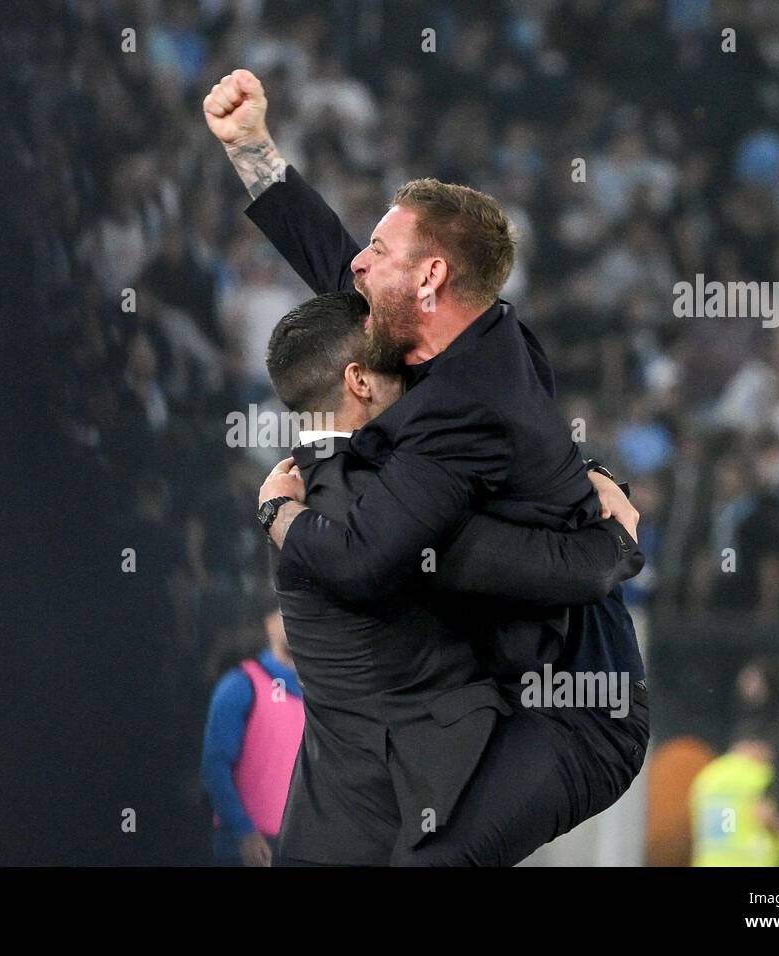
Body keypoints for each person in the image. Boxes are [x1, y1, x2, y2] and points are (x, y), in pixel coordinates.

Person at [206, 71, 651, 862]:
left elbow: (369, 558)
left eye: (379, 250)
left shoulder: (464, 408)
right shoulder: (453, 337)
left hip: (576, 711)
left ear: (431, 276)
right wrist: (253, 151)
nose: (360, 266)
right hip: (501, 687)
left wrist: (278, 512)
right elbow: (334, 268)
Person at [265, 292, 645, 865]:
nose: (419, 368)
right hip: (415, 791)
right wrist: (617, 533)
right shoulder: (385, 505)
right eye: (399, 358)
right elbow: (561, 569)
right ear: (361, 381)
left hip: (332, 815)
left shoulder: (306, 489)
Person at [200, 606, 304, 866]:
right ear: (269, 624)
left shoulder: (319, 695)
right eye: (285, 612)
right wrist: (244, 833)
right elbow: (215, 766)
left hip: (298, 846)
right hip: (243, 847)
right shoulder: (240, 685)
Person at [690, 729, 779, 867]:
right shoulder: (755, 773)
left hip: (711, 862)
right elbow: (762, 815)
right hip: (750, 861)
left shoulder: (709, 775)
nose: (769, 758)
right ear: (754, 746)